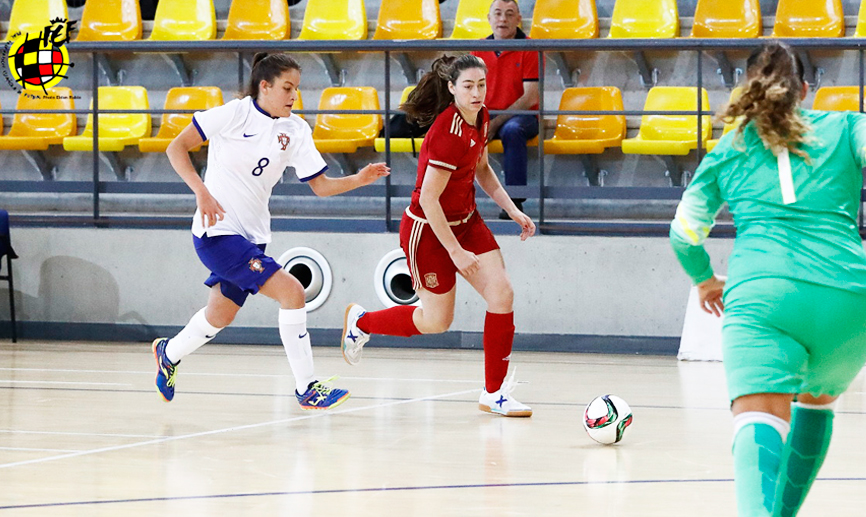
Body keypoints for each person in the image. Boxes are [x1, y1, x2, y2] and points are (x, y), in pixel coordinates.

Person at [670, 41, 866, 517]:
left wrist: (704, 280)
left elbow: (683, 233)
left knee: (759, 428)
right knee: (816, 401)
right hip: (849, 300)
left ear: (749, 88)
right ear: (804, 88)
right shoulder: (845, 126)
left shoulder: (729, 148)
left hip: (765, 297)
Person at [153, 53, 390, 410]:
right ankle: (307, 388)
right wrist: (201, 192)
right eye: (287, 87)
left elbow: (321, 186)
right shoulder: (235, 113)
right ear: (264, 86)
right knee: (293, 292)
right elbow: (176, 147)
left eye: (297, 88)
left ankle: (168, 353)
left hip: (253, 236)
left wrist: (359, 178)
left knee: (220, 316)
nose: (294, 95)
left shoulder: (295, 130)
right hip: (216, 232)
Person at [340, 54, 537, 418]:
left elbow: (483, 169)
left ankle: (493, 393)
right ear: (451, 88)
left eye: (481, 85)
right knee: (436, 322)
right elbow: (430, 200)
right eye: (468, 86)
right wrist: (457, 253)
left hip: (467, 221)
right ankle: (362, 322)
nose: (477, 92)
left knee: (502, 293)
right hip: (428, 231)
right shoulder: (447, 133)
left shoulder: (481, 117)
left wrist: (512, 210)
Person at [471, 0, 540, 220]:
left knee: (512, 130)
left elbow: (530, 97)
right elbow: (469, 91)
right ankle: (450, 200)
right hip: (486, 113)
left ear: (518, 20)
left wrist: (496, 122)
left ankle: (514, 202)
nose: (503, 19)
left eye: (510, 14)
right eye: (498, 14)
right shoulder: (478, 49)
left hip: (524, 115)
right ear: (489, 18)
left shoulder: (530, 48)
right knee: (455, 130)